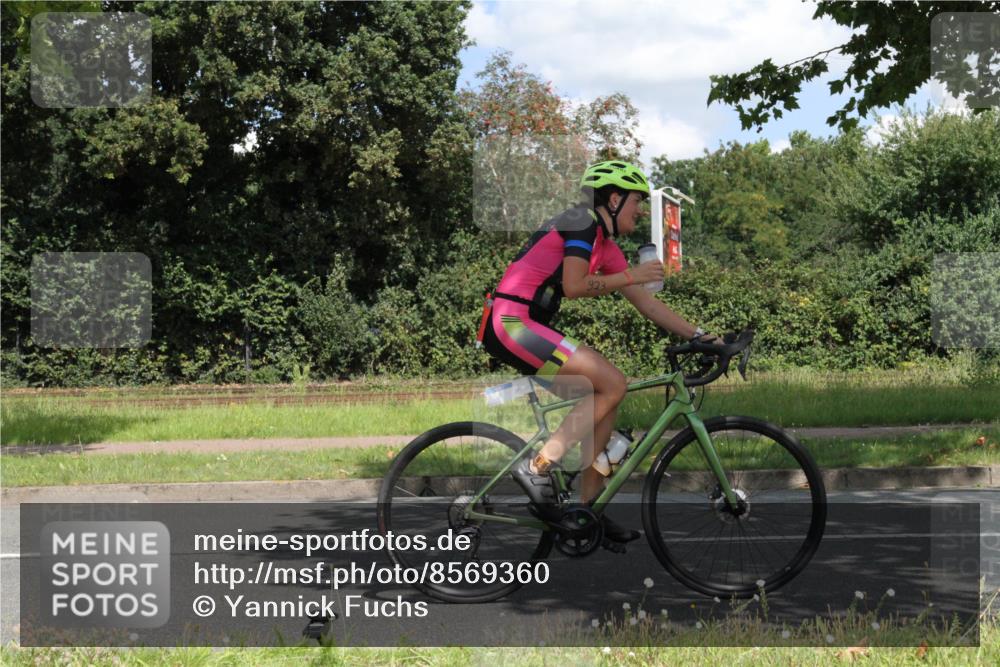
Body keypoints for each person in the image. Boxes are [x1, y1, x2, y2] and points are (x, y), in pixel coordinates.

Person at [480, 160, 720, 547]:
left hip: (523, 323)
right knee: (612, 383)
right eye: (636, 202)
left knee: (605, 398)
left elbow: (649, 305)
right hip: (511, 321)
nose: (640, 210)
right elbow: (574, 286)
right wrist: (631, 276)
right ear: (613, 198)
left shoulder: (605, 247)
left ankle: (587, 511)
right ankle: (537, 467)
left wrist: (704, 336)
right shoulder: (581, 222)